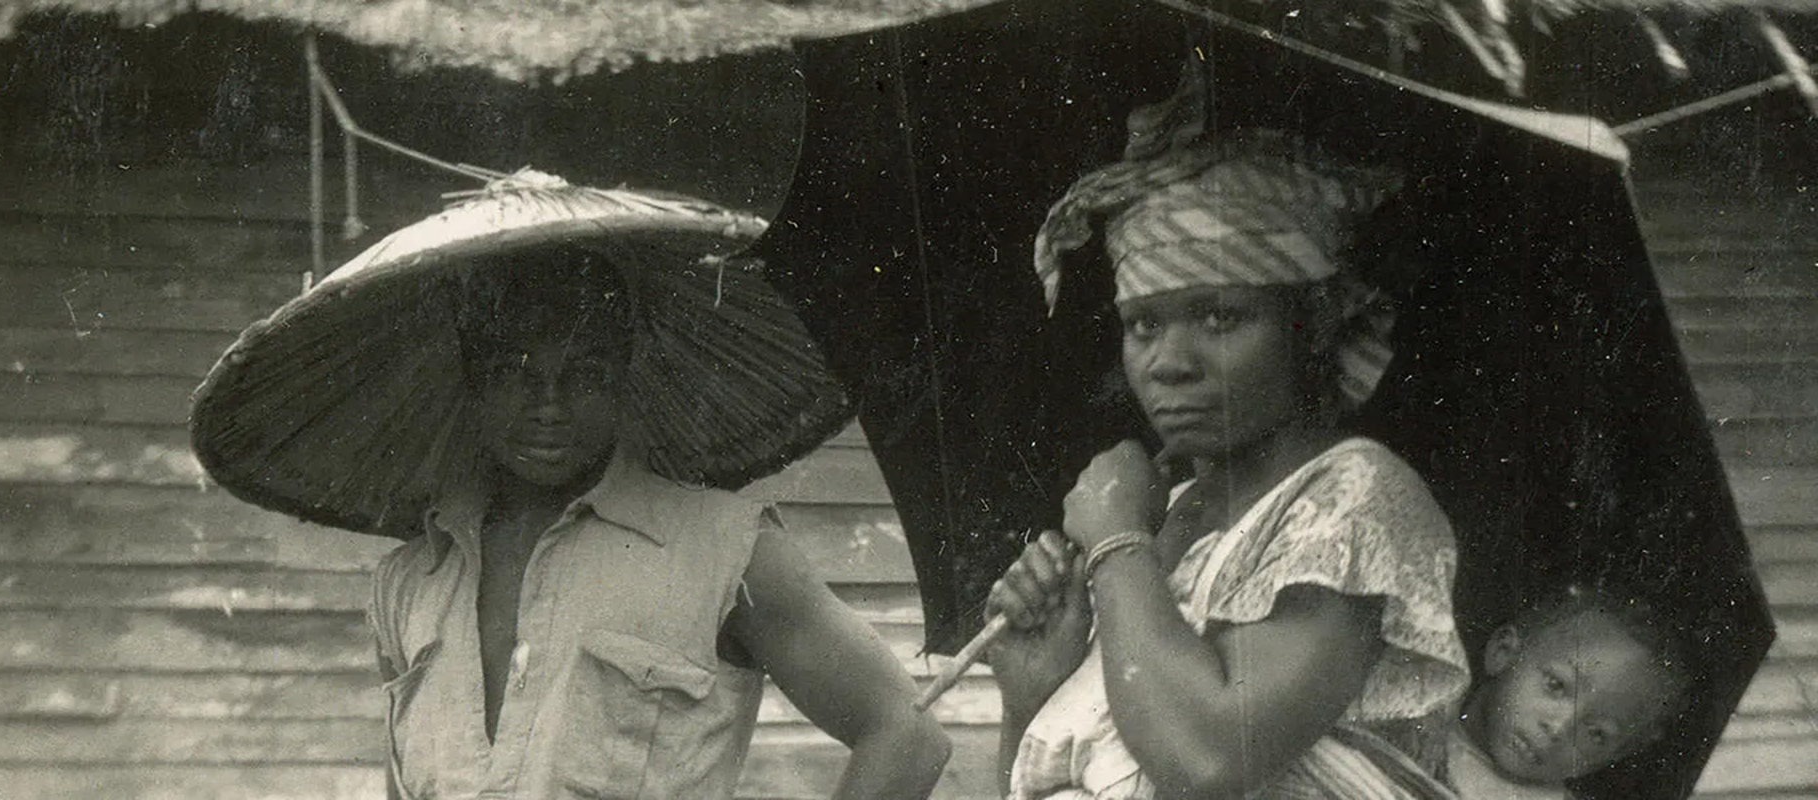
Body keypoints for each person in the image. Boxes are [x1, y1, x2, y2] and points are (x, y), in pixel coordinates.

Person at [983, 103, 1471, 798]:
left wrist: (1118, 538)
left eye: (1219, 316)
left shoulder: (1357, 500)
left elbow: (1208, 759)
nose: (1168, 363)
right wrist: (1031, 692)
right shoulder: (1172, 509)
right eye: (1143, 324)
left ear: (1314, 323)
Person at [364, 247, 951, 800]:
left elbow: (908, 737)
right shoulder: (411, 581)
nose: (549, 405)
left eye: (585, 374)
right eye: (513, 371)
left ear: (624, 376)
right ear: (473, 382)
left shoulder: (726, 549)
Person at [1449, 586, 1693, 799]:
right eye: (1556, 686)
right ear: (1503, 652)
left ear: (1617, 754)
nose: (1559, 727)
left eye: (1597, 733)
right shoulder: (1417, 722)